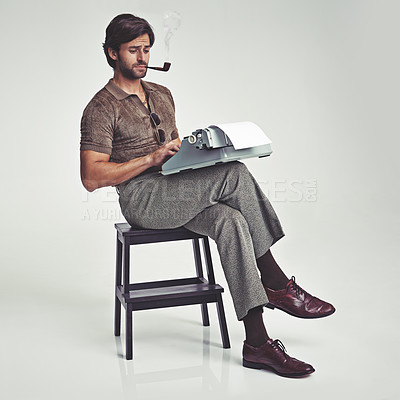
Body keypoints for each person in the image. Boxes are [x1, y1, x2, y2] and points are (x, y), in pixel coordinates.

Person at [80, 13, 335, 378]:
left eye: (147, 50)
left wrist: (197, 155)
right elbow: (91, 177)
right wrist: (150, 158)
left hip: (174, 187)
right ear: (111, 54)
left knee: (230, 220)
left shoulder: (162, 94)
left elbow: (173, 155)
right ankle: (278, 284)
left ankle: (258, 344)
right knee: (233, 175)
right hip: (141, 199)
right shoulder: (100, 108)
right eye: (133, 50)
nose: (142, 58)